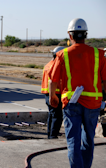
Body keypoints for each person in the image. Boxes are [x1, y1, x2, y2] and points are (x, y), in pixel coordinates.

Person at [48, 18, 106, 168]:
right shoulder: (98, 54)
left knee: (73, 141)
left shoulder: (63, 55)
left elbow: (53, 80)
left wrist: (52, 96)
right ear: (85, 35)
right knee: (88, 140)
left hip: (72, 103)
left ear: (70, 35)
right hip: (93, 104)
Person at [41, 46, 64, 139]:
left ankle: (50, 134)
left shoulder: (48, 65)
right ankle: (53, 136)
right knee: (57, 116)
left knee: (52, 114)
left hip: (48, 94)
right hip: (56, 94)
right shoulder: (56, 66)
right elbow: (57, 81)